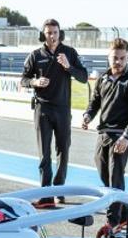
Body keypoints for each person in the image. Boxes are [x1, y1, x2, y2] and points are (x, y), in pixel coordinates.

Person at [20, 19, 87, 208]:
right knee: (44, 154)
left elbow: (83, 77)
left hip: (63, 109)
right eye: (49, 33)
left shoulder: (70, 53)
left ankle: (59, 189)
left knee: (63, 150)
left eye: (55, 32)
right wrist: (34, 82)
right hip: (42, 109)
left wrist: (68, 67)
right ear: (43, 34)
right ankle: (45, 193)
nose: (52, 36)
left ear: (60, 33)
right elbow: (23, 79)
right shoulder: (35, 55)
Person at [82, 37, 128, 233]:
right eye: (115, 58)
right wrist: (87, 115)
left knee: (115, 177)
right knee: (104, 174)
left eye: (122, 58)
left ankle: (113, 221)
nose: (118, 62)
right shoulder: (103, 78)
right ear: (108, 57)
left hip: (122, 136)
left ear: (127, 58)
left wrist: (127, 136)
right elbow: (95, 102)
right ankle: (127, 213)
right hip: (104, 133)